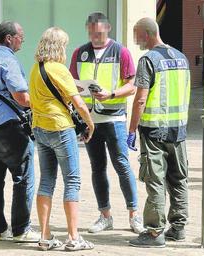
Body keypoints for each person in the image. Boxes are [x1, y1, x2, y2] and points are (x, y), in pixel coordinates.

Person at [69, 12, 144, 234]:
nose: (95, 37)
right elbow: (72, 83)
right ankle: (105, 215)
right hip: (90, 120)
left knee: (121, 165)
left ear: (108, 29)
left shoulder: (121, 52)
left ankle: (134, 215)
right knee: (97, 167)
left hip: (114, 118)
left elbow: (133, 85)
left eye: (99, 33)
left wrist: (110, 94)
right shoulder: (79, 52)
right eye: (91, 33)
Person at [29, 27, 95, 251]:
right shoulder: (59, 68)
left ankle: (45, 236)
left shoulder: (35, 70)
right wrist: (90, 123)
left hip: (40, 129)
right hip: (60, 129)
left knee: (47, 180)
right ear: (59, 47)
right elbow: (79, 103)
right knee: (72, 181)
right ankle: (74, 237)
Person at [128, 17, 190, 248]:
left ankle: (155, 232)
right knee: (179, 178)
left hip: (154, 131)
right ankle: (178, 227)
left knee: (155, 180)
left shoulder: (148, 60)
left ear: (146, 34)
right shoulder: (181, 58)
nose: (136, 40)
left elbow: (141, 98)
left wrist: (132, 129)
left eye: (137, 35)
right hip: (179, 131)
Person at [0, 21, 39, 242]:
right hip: (8, 127)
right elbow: (21, 97)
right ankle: (21, 230)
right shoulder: (7, 59)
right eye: (21, 36)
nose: (23, 40)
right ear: (9, 38)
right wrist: (41, 102)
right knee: (23, 177)